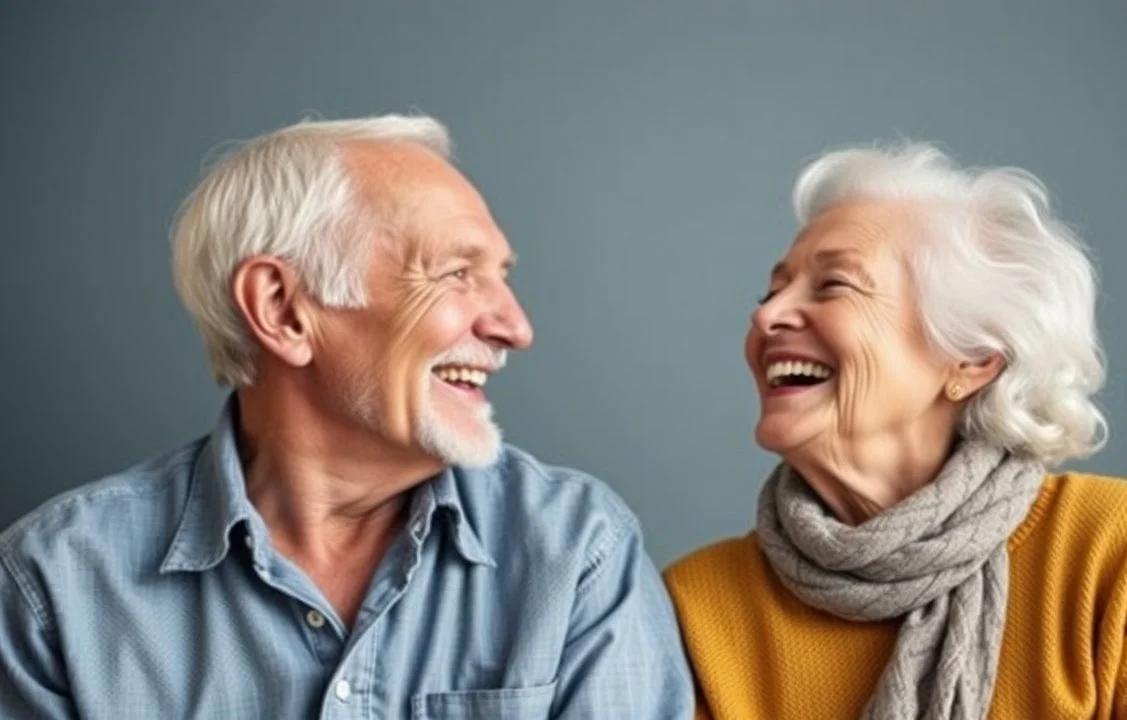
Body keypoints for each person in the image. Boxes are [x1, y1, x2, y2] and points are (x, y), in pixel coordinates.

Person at [0, 114, 693, 718]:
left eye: (502, 277)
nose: (515, 326)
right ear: (281, 310)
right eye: (456, 273)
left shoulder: (574, 550)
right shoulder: (54, 582)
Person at [664, 142, 1127, 719]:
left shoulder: (1121, 550)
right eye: (771, 291)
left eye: (834, 285)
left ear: (970, 361)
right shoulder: (697, 600)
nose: (766, 315)